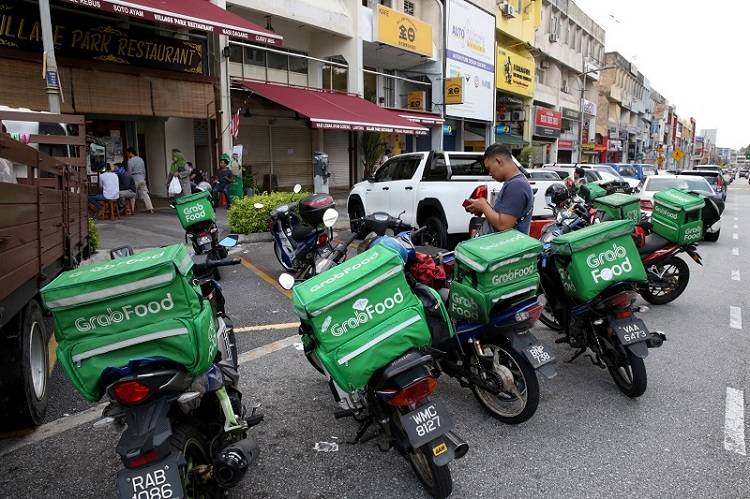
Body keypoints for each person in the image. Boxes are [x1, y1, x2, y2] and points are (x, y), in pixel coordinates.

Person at [464, 144, 533, 234]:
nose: (489, 173)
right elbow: (502, 218)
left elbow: (504, 225)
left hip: (506, 243)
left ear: (498, 161)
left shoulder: (517, 185)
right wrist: (483, 209)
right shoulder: (514, 183)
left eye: (489, 168)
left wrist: (483, 205)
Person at [126, 147, 154, 214]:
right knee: (145, 194)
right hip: (141, 178)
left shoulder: (130, 161)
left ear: (130, 153)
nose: (127, 155)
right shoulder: (141, 159)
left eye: (127, 153)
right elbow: (144, 170)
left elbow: (129, 172)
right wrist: (144, 178)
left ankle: (132, 210)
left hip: (134, 178)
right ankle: (150, 208)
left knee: (133, 194)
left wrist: (129, 180)